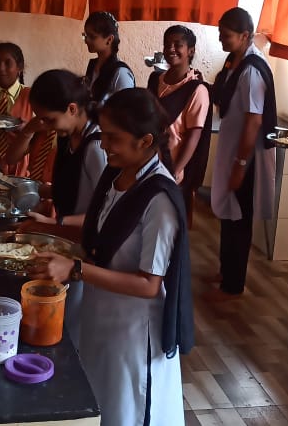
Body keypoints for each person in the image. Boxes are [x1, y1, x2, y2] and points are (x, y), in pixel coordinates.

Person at [31, 88, 193, 426]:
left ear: (145, 141)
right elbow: (98, 238)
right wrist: (45, 235)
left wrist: (75, 269)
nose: (103, 145)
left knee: (129, 410)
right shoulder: (117, 176)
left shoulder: (159, 201)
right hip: (102, 317)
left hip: (134, 334)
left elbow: (150, 285)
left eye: (113, 138)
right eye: (102, 134)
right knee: (101, 405)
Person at [15, 69, 108, 350]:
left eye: (49, 119)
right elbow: (70, 186)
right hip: (68, 238)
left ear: (72, 108)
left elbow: (103, 211)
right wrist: (37, 190)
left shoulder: (97, 147)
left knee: (75, 323)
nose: (46, 125)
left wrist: (56, 222)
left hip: (87, 246)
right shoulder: (69, 135)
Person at [206, 7, 277, 299]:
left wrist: (240, 164)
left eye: (227, 36)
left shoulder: (251, 70)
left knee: (240, 217)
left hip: (246, 155)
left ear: (245, 36)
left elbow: (254, 120)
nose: (222, 40)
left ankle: (234, 282)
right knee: (228, 213)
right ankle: (226, 268)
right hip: (232, 148)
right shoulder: (234, 61)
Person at [147, 25, 212, 226]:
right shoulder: (155, 80)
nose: (171, 49)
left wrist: (175, 171)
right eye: (167, 44)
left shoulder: (196, 90)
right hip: (148, 163)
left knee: (166, 225)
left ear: (190, 51)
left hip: (171, 166)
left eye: (178, 45)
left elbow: (194, 135)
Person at [0, 42, 55, 182]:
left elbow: (42, 134)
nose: (1, 68)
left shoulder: (32, 96)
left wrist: (26, 129)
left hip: (23, 163)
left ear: (20, 67)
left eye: (7, 63)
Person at [82, 11, 135, 106]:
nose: (86, 40)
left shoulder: (120, 73)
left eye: (92, 37)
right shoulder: (93, 65)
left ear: (109, 39)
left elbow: (127, 112)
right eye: (85, 36)